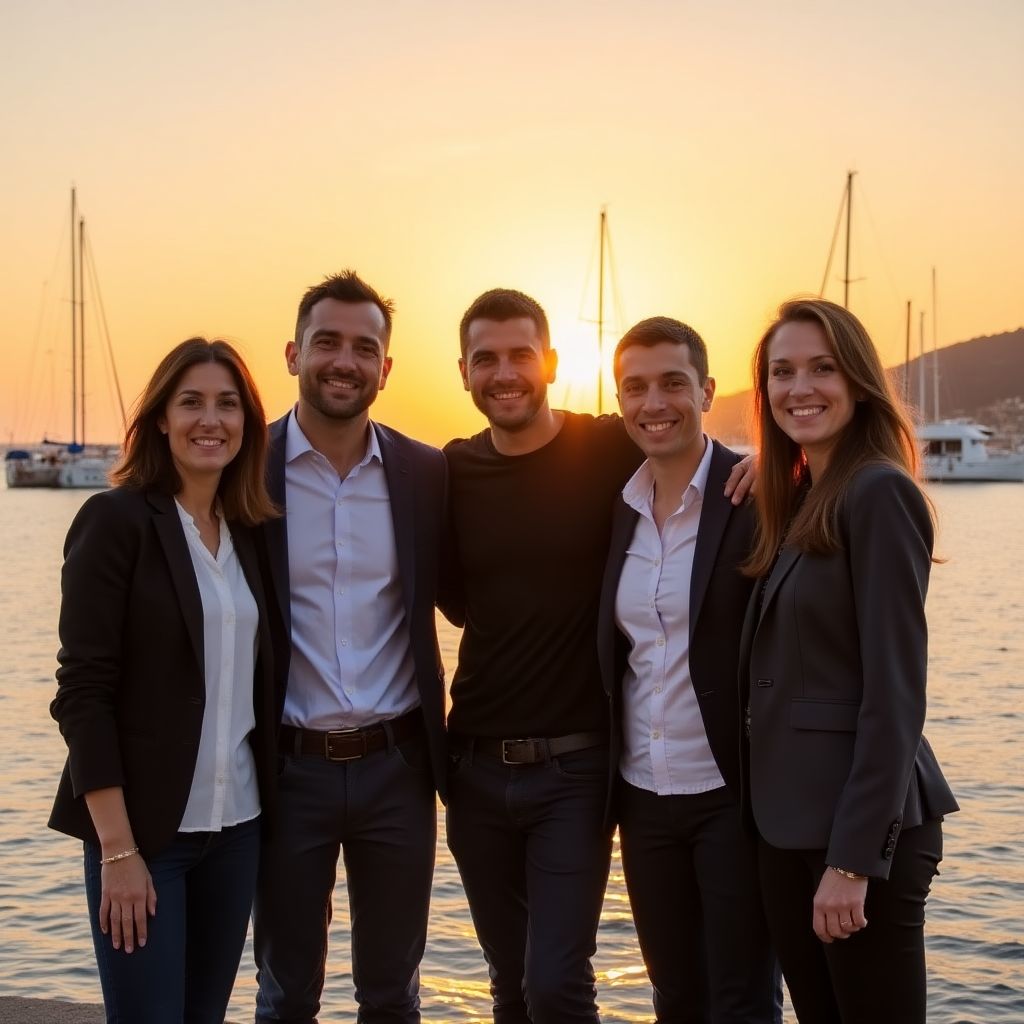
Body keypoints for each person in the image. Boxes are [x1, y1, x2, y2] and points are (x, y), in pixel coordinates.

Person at [441, 289, 755, 1023]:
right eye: (485, 358)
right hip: (474, 768)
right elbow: (453, 597)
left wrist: (771, 460)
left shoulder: (607, 446)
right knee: (511, 986)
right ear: (462, 372)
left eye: (522, 354)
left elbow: (692, 442)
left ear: (551, 361)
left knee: (556, 982)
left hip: (577, 768)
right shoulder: (447, 473)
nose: (506, 372)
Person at [740, 298, 959, 1023]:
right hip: (787, 825)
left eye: (822, 368)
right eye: (781, 372)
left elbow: (895, 695)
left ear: (859, 381)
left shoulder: (879, 492)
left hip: (857, 840)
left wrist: (853, 861)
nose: (799, 387)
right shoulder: (803, 496)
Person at [48, 338, 279, 1024]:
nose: (211, 420)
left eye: (228, 404)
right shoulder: (117, 521)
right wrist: (117, 851)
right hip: (145, 839)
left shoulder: (252, 532)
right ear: (158, 419)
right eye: (191, 403)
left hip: (236, 831)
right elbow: (82, 692)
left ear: (247, 424)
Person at [253, 271, 448, 1024]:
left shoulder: (426, 473)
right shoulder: (247, 468)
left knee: (393, 993)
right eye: (327, 342)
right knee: (287, 991)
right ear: (293, 353)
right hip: (285, 769)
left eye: (365, 347)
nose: (345, 361)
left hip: (397, 768)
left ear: (387, 367)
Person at [597, 317, 780, 1023]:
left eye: (673, 383)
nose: (655, 403)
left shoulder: (757, 494)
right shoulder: (618, 506)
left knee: (741, 999)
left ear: (707, 390)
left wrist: (782, 458)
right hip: (643, 796)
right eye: (634, 387)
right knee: (675, 997)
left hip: (732, 794)